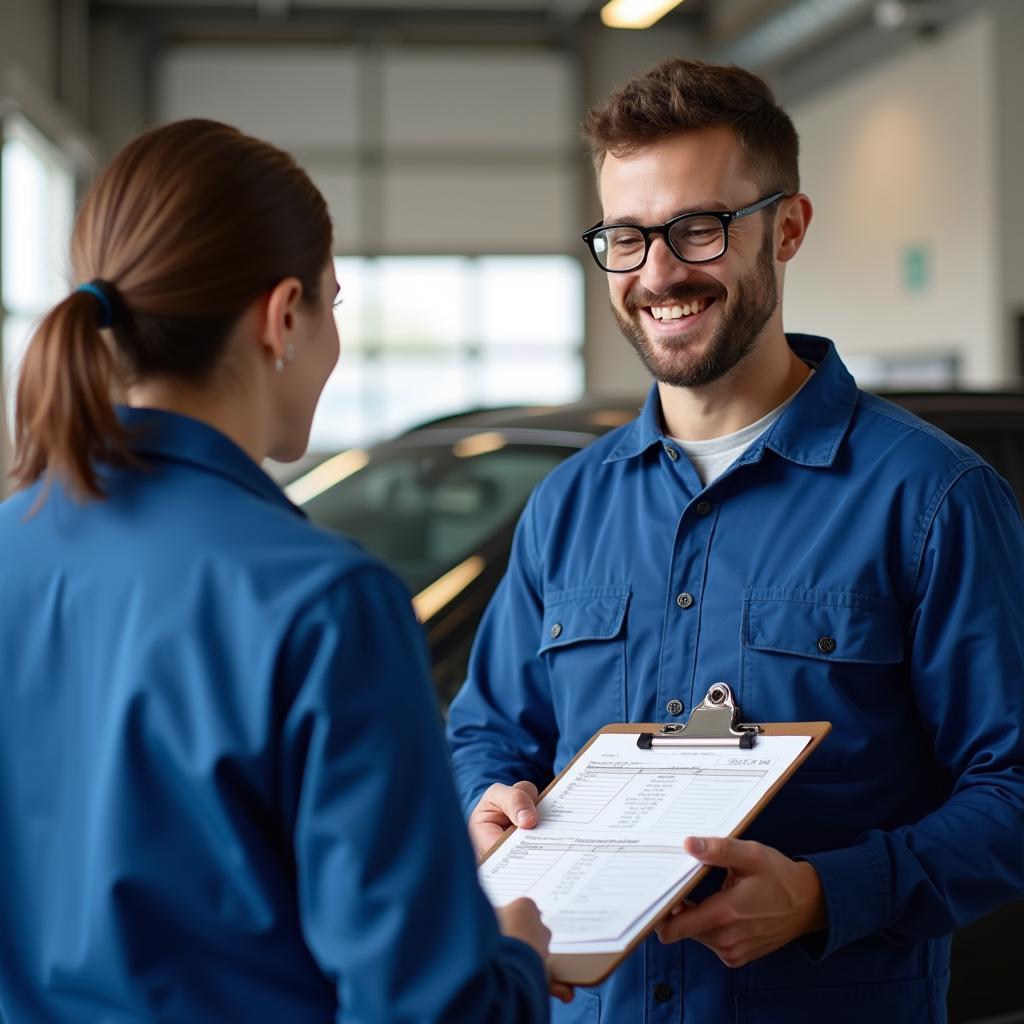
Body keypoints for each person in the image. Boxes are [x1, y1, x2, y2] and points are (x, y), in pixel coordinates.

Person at [447, 58, 1024, 1023]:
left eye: (697, 229)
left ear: (788, 227)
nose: (658, 273)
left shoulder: (933, 498)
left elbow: (1011, 788)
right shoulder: (566, 507)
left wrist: (828, 892)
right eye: (625, 238)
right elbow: (486, 731)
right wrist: (487, 803)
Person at [0, 118, 559, 1023]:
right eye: (333, 305)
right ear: (282, 315)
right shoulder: (323, 603)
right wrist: (515, 964)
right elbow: (427, 1009)